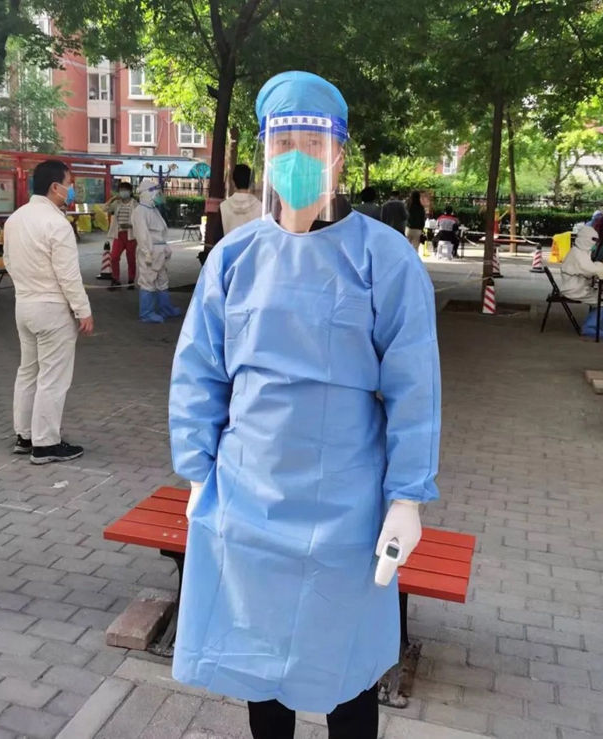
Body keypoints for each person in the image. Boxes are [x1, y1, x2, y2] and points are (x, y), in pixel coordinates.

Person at [169, 71, 441, 739]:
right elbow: (199, 371)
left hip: (346, 504)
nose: (297, 158)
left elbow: (414, 386)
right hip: (248, 496)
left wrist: (407, 497)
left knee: (345, 670)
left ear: (340, 154)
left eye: (313, 144)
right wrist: (198, 471)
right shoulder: (234, 257)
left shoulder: (383, 259)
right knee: (260, 663)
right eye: (283, 143)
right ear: (265, 154)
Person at [3, 160, 93, 465]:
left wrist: (26, 288)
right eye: (69, 183)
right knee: (53, 377)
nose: (72, 189)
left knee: (28, 371)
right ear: (55, 187)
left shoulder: (15, 219)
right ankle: (45, 444)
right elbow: (68, 275)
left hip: (24, 305)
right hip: (53, 309)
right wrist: (83, 311)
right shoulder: (57, 224)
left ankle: (25, 436)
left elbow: (9, 261)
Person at [131, 179, 182, 323]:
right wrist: (147, 252)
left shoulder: (152, 210)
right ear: (148, 193)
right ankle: (147, 313)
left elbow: (161, 231)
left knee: (162, 280)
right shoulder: (140, 211)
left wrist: (165, 248)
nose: (159, 195)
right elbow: (142, 234)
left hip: (160, 250)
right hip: (150, 251)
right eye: (156, 192)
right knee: (148, 280)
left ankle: (165, 309)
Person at [105, 182, 138, 290]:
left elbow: (140, 220)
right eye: (121, 190)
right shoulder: (117, 203)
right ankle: (115, 279)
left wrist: (130, 225)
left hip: (131, 235)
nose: (123, 192)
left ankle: (131, 280)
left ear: (130, 191)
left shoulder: (135, 204)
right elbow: (105, 209)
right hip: (119, 234)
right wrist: (113, 198)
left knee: (131, 259)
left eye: (125, 190)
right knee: (114, 257)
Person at [560, 225, 603, 302]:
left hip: (576, 287)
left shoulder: (579, 251)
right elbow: (590, 271)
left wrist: (599, 265)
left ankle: (596, 309)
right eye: (593, 240)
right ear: (585, 240)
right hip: (574, 290)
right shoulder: (578, 254)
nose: (594, 244)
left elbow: (588, 267)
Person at [220, 164, 263, 235]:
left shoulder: (223, 207)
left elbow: (217, 237)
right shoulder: (261, 208)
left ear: (233, 183)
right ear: (251, 183)